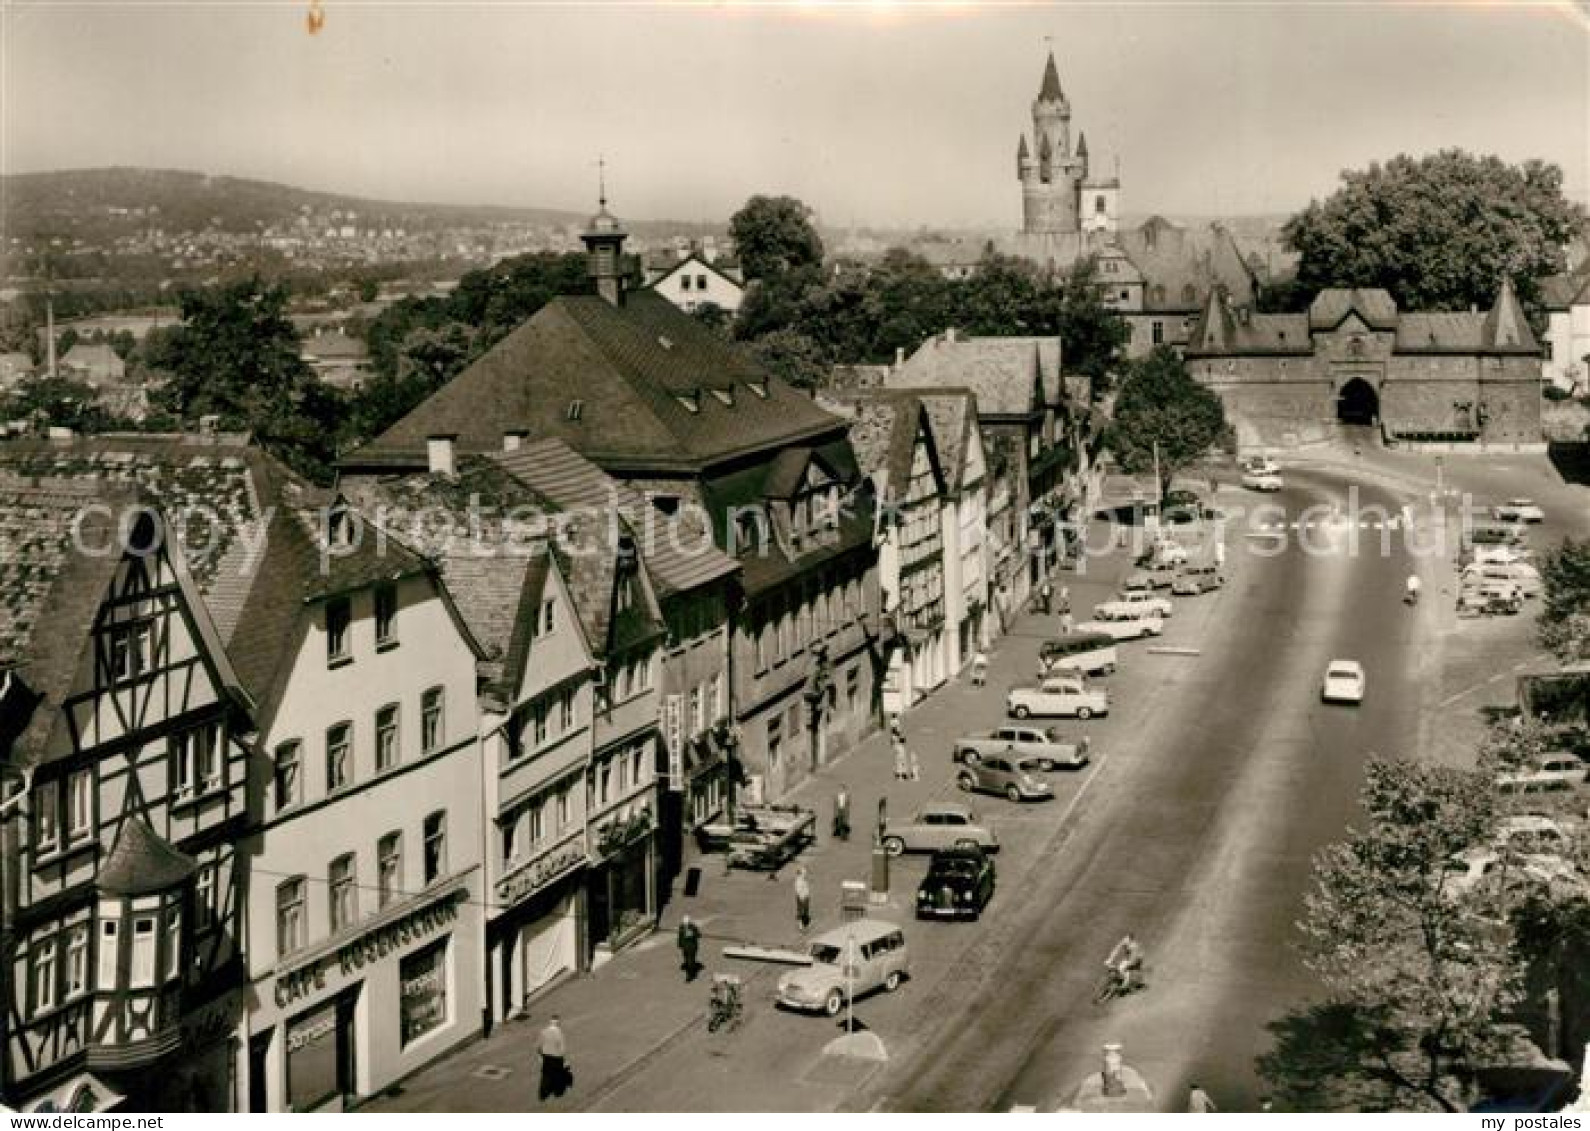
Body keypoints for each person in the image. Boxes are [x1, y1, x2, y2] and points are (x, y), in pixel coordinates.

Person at [537, 1016, 570, 1101]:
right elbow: (562, 1048)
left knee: (546, 1076)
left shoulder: (543, 1032)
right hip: (557, 1058)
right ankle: (558, 1092)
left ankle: (543, 1095)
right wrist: (564, 1059)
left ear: (550, 1023)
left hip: (546, 1057)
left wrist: (540, 1056)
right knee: (557, 1075)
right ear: (558, 1023)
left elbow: (539, 1045)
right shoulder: (559, 1033)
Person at [677, 915, 701, 982]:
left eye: (686, 923)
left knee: (690, 961)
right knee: (687, 960)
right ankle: (691, 973)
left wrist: (692, 934)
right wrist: (679, 944)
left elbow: (698, 935)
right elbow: (680, 936)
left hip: (691, 948)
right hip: (686, 947)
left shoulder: (693, 928)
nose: (685, 925)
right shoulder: (682, 927)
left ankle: (690, 976)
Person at [793, 866, 812, 933]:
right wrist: (802, 898)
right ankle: (801, 926)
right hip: (802, 898)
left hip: (805, 897)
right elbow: (798, 891)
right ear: (801, 873)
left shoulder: (803, 880)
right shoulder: (798, 881)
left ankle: (804, 924)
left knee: (805, 911)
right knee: (801, 911)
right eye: (804, 873)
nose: (805, 874)